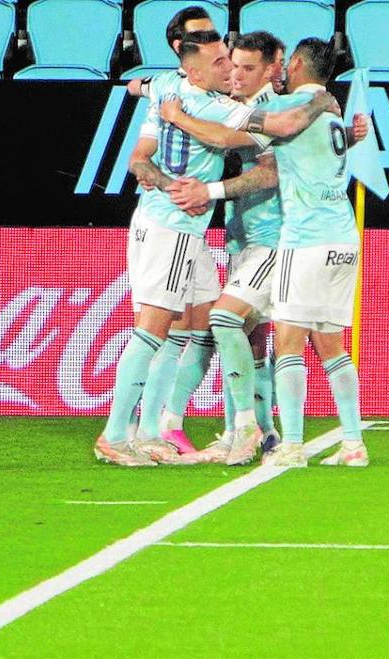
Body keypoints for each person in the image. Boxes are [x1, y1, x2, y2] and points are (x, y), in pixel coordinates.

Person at [159, 39, 370, 467]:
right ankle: (351, 443)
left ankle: (287, 443)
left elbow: (252, 133)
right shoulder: (326, 110)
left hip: (302, 239)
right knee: (330, 347)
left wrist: (179, 116)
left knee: (287, 344)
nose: (236, 75)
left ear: (288, 63)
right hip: (342, 237)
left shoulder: (288, 108)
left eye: (247, 67)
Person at [160, 31, 287, 466]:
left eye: (248, 68)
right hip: (242, 238)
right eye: (233, 65)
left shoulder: (272, 112)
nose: (235, 74)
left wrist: (209, 189)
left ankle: (247, 428)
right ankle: (256, 433)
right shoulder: (242, 109)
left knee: (223, 318)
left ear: (272, 68)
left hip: (273, 241)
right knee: (251, 342)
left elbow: (268, 174)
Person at [124, 6, 222, 455]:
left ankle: (164, 422)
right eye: (200, 38)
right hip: (169, 222)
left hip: (194, 229)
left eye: (215, 36)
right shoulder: (176, 92)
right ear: (182, 51)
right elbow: (139, 157)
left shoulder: (164, 88)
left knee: (198, 324)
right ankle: (127, 430)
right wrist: (167, 183)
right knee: (157, 324)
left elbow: (136, 84)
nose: (215, 44)